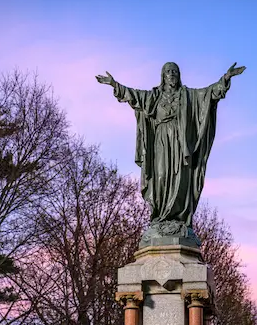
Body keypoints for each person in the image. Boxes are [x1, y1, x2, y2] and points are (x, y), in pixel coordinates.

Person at [96, 61, 245, 243]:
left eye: (175, 71)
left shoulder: (189, 95)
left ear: (179, 75)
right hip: (161, 141)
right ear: (163, 76)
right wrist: (114, 84)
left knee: (181, 180)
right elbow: (134, 96)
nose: (172, 74)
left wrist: (225, 78)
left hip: (181, 144)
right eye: (168, 71)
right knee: (160, 176)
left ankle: (179, 220)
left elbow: (209, 94)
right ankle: (161, 218)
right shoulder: (154, 96)